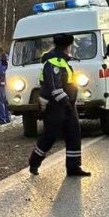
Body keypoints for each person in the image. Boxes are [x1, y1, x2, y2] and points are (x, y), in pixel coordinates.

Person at [28, 34, 91, 177]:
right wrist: (66, 103)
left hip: (68, 105)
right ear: (66, 47)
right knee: (50, 137)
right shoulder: (52, 63)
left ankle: (73, 167)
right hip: (54, 107)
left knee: (74, 135)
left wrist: (71, 103)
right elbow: (55, 87)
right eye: (70, 47)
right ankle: (34, 162)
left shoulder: (62, 61)